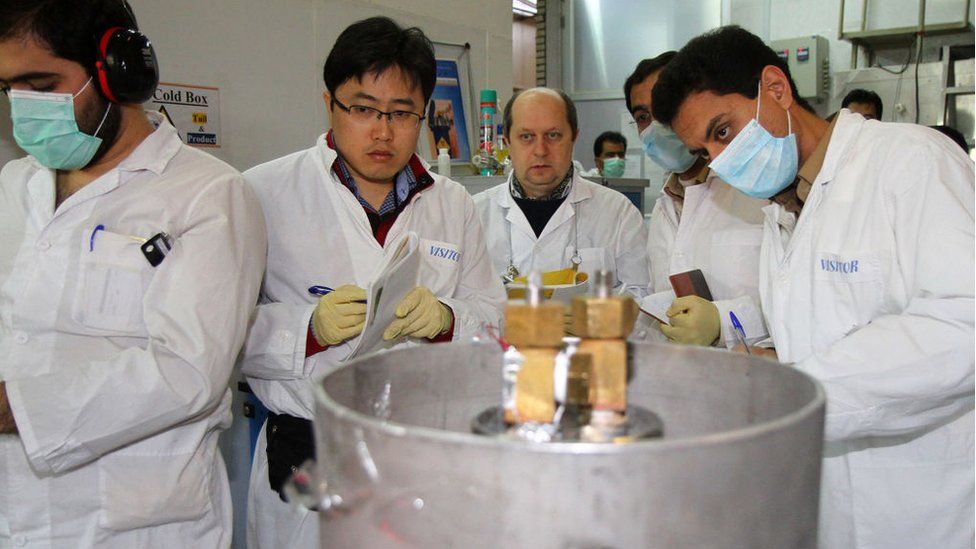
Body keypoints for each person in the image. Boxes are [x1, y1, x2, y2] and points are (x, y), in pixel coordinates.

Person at [653, 25, 974, 549]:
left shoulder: (911, 160)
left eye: (724, 130)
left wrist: (796, 393)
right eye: (705, 149)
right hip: (826, 502)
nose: (721, 158)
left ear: (775, 88)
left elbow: (963, 324)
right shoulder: (785, 209)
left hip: (918, 504)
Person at [0, 1, 267, 547]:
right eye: (8, 89)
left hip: (137, 526)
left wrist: (16, 407)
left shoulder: (207, 194)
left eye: (42, 83)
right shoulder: (13, 185)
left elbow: (188, 372)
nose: (24, 108)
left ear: (117, 69)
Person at [240, 16, 505, 549]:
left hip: (424, 455)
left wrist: (450, 320)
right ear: (328, 104)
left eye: (402, 113)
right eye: (362, 109)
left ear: (425, 115)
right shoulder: (261, 192)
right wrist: (307, 328)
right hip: (310, 455)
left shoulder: (452, 204)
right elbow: (221, 334)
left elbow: (495, 318)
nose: (382, 131)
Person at [625, 52, 769, 348]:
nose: (655, 125)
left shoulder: (759, 192)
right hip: (686, 379)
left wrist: (723, 321)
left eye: (665, 108)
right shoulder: (664, 206)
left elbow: (801, 308)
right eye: (643, 117)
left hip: (756, 379)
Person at [473, 87, 650, 304]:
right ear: (508, 141)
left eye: (553, 135)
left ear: (574, 137)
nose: (540, 150)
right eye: (526, 136)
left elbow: (643, 297)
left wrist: (591, 318)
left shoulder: (619, 214)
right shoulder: (475, 214)